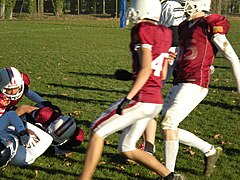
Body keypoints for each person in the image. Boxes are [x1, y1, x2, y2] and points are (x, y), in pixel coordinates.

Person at [79, 0, 184, 179]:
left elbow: (146, 69)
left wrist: (128, 98)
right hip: (155, 100)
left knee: (97, 131)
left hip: (142, 99)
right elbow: (161, 70)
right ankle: (170, 177)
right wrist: (131, 75)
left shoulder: (142, 29)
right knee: (127, 148)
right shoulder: (165, 32)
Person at [160, 0, 240, 177]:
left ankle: (168, 174)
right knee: (167, 127)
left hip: (196, 82)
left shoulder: (209, 23)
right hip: (180, 79)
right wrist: (174, 59)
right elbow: (186, 52)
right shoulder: (184, 26)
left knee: (169, 124)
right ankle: (210, 150)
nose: (184, 4)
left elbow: (232, 57)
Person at [15, 102, 85, 155]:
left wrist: (55, 150)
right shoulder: (45, 115)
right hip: (36, 120)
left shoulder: (77, 136)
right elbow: (23, 108)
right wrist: (8, 121)